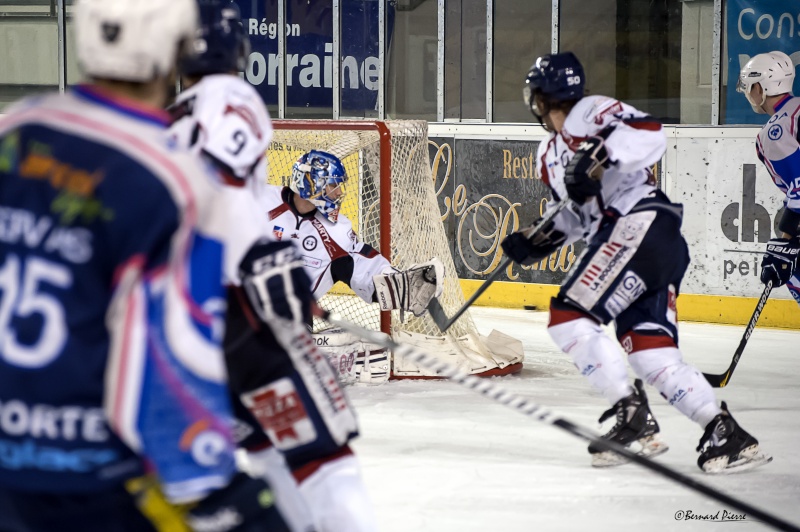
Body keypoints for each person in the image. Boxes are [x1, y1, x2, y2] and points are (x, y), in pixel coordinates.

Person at [0, 0, 290, 530]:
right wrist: (210, 486)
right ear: (175, 47)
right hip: (92, 483)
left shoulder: (14, 131)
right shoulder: (174, 180)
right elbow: (173, 363)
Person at [501, 52, 768, 473]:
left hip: (639, 225)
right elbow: (576, 213)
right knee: (651, 354)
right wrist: (539, 240)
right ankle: (724, 432)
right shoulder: (547, 153)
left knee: (570, 317)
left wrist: (600, 154)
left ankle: (633, 417)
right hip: (646, 243)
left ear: (542, 99)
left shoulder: (589, 112)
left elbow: (650, 134)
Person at [168, 2, 378, 530]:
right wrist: (261, 258)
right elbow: (225, 185)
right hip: (249, 309)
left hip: (188, 313)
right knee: (319, 448)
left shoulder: (166, 119)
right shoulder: (231, 96)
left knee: (263, 436)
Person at [257, 150, 444, 385]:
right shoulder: (256, 201)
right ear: (311, 184)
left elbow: (365, 266)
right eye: (333, 186)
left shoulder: (336, 232)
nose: (338, 193)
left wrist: (403, 285)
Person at [737, 51, 800, 305]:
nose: (747, 94)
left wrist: (784, 244)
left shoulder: (775, 131)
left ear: (760, 88)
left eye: (749, 87)